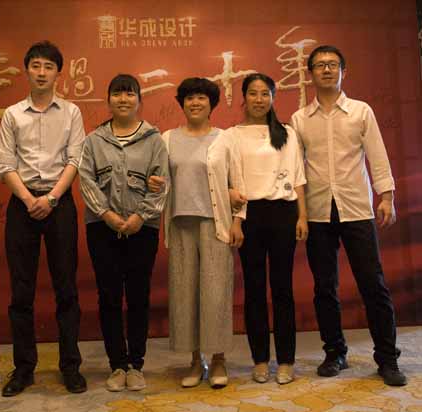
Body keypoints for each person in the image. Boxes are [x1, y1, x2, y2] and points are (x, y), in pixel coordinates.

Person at [290, 45, 407, 386]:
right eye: (320, 65)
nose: (326, 70)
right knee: (325, 287)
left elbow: (377, 155)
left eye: (332, 64)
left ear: (344, 71)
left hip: (356, 208)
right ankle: (334, 353)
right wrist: (299, 212)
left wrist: (387, 197)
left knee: (373, 284)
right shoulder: (300, 119)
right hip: (317, 212)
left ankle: (387, 358)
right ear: (310, 74)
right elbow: (295, 170)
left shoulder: (361, 111)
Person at [0, 40, 87, 396]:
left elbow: (75, 159)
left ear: (58, 73)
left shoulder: (71, 112)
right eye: (36, 65)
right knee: (21, 291)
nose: (42, 72)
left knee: (66, 289)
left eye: (49, 66)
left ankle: (70, 367)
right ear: (27, 71)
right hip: (22, 204)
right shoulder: (12, 114)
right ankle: (23, 369)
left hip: (59, 203)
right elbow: (5, 163)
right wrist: (29, 199)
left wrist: (50, 198)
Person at [149, 77, 244, 389]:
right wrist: (156, 184)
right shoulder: (167, 139)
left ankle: (218, 359)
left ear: (211, 103)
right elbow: (161, 180)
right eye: (189, 97)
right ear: (182, 103)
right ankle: (194, 360)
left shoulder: (225, 139)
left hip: (215, 224)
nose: (195, 102)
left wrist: (238, 221)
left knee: (216, 293)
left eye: (201, 97)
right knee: (184, 294)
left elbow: (237, 182)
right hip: (180, 224)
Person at [79, 74, 169, 392]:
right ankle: (117, 365)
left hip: (143, 229)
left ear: (139, 100)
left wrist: (139, 217)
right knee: (109, 297)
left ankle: (136, 365)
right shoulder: (93, 140)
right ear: (108, 100)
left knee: (139, 296)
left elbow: (161, 183)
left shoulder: (154, 140)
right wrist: (107, 215)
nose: (123, 99)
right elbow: (86, 180)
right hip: (101, 228)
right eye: (117, 93)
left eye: (130, 94)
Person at [227, 73, 307, 385]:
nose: (259, 99)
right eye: (253, 93)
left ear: (273, 97)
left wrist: (302, 217)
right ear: (244, 98)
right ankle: (260, 359)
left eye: (265, 93)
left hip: (284, 213)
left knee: (283, 288)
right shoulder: (232, 135)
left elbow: (298, 177)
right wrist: (237, 219)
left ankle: (286, 360)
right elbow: (233, 180)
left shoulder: (287, 133)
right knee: (254, 289)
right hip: (250, 214)